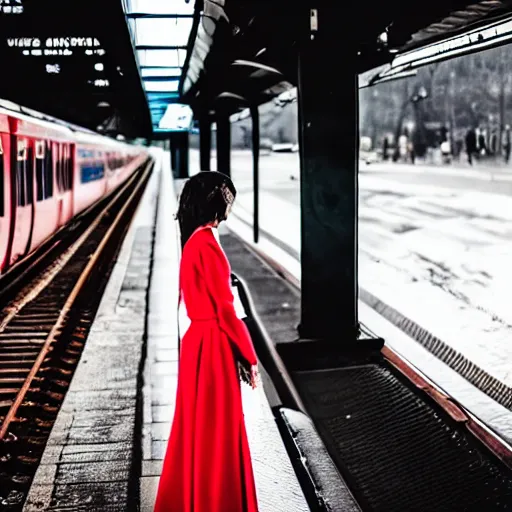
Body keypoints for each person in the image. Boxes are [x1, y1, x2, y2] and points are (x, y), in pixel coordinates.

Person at [154, 171, 259, 512]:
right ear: (218, 202)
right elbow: (226, 311)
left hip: (198, 342)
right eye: (228, 197)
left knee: (196, 428)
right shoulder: (208, 244)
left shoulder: (192, 241)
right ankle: (218, 501)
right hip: (213, 345)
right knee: (220, 432)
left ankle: (191, 499)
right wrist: (249, 355)